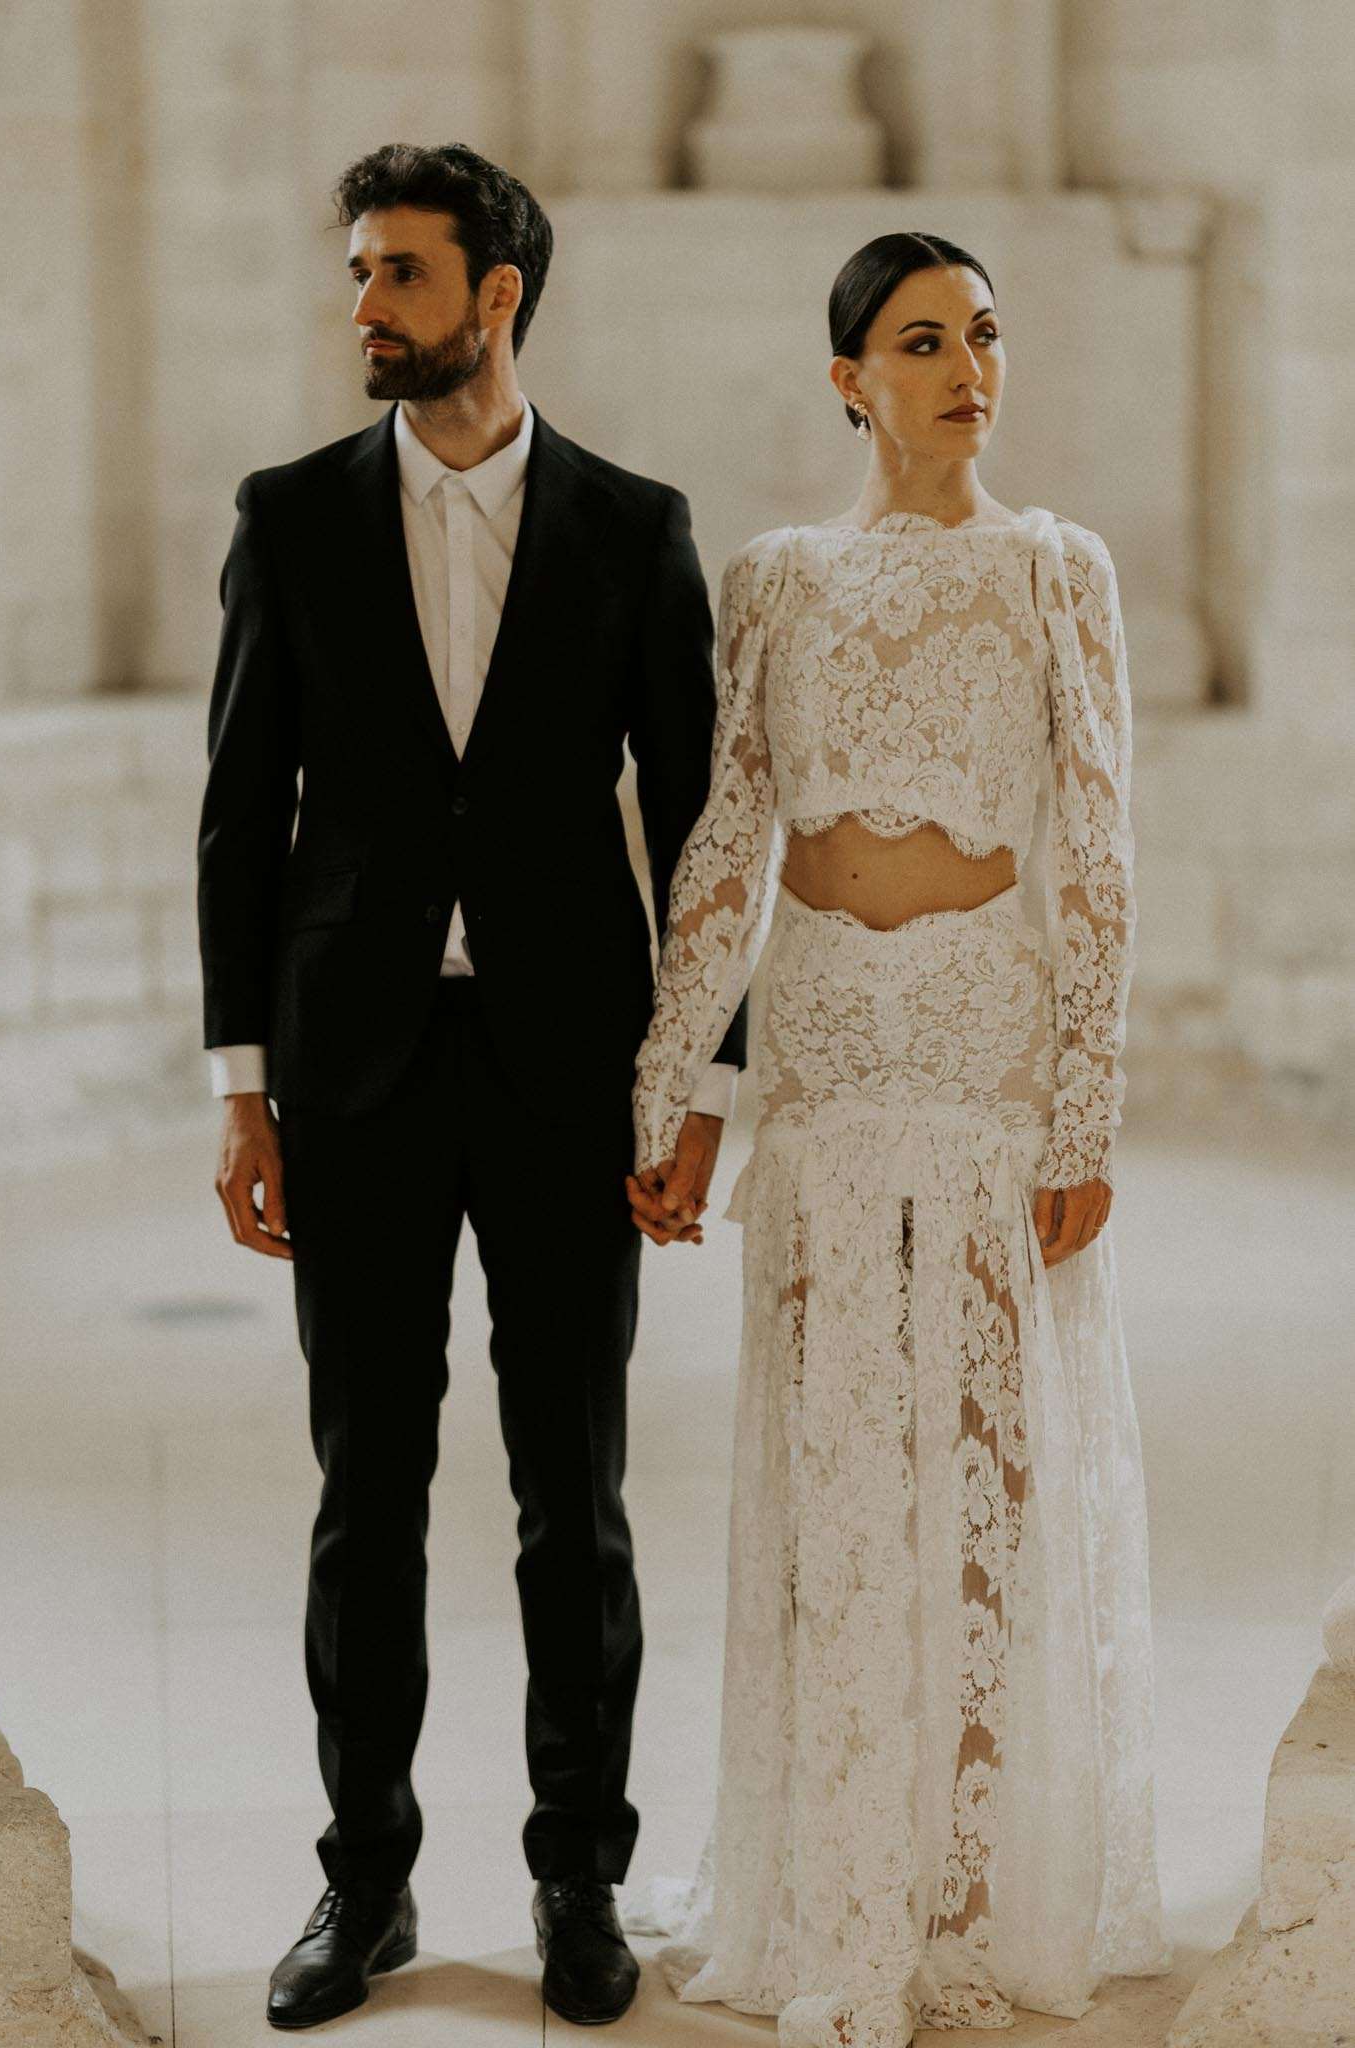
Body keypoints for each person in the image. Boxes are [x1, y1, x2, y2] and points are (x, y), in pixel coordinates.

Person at [197, 141, 746, 2031]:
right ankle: (364, 1890)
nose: (364, 308)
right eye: (356, 274)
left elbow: (697, 826)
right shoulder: (287, 516)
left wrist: (697, 1086)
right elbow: (236, 824)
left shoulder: (633, 526)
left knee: (567, 1499)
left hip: (563, 1074)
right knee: (368, 1495)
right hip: (347, 1070)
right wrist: (241, 1088)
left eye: (399, 278)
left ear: (494, 294)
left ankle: (578, 1877)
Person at [623, 232, 1172, 2047]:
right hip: (830, 1063)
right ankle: (830, 1871)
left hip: (986, 1054)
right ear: (847, 376)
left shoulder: (1053, 569)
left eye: (985, 334)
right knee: (834, 1460)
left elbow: (1096, 849)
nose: (967, 366)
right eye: (923, 339)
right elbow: (722, 848)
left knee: (987, 1464)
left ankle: (958, 1881)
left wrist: (1082, 1106)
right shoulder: (775, 580)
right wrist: (671, 1087)